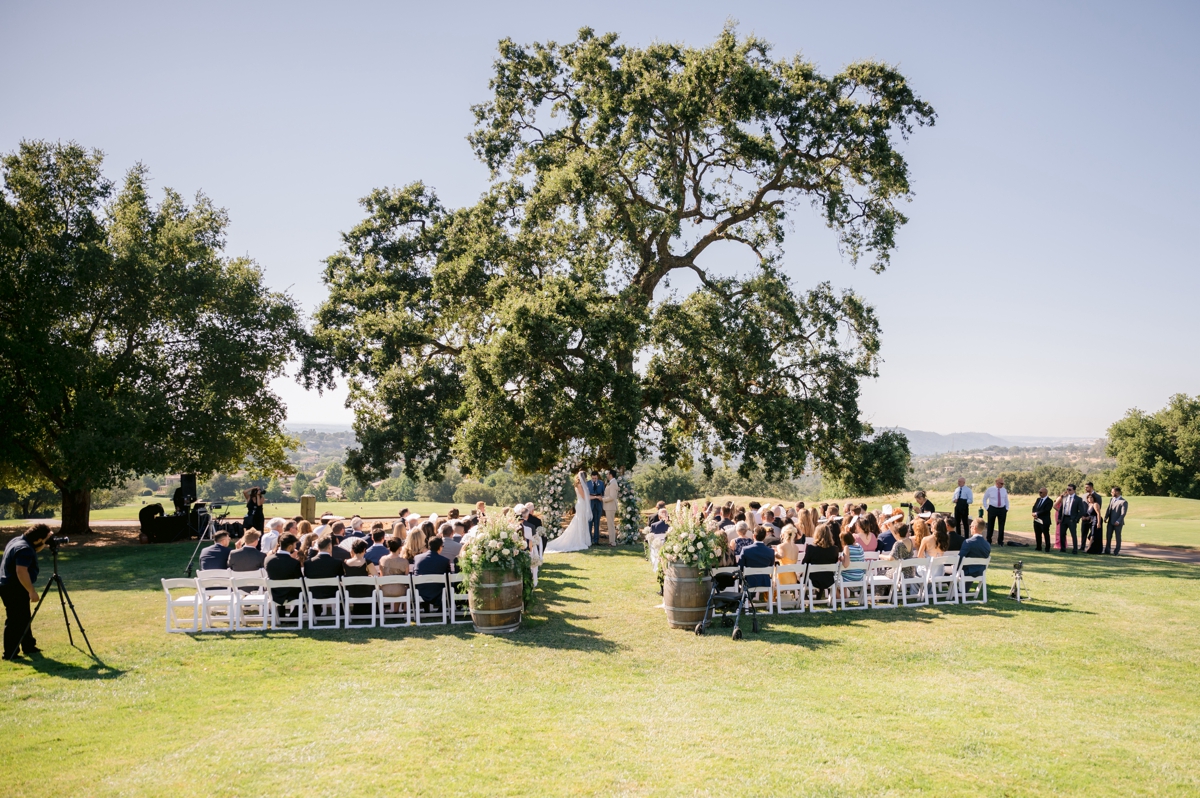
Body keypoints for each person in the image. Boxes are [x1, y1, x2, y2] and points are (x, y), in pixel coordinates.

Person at [1, 524, 52, 660]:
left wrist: (42, 544)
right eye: (46, 538)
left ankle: (28, 646)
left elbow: (31, 551)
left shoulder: (17, 541)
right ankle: (10, 653)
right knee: (15, 620)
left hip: (7, 585)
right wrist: (31, 591)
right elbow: (21, 571)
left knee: (23, 616)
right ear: (38, 539)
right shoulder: (25, 549)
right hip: (14, 588)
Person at [547, 471, 594, 553]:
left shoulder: (580, 485)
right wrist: (595, 497)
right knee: (579, 522)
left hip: (582, 504)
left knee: (582, 522)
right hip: (581, 505)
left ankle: (583, 539)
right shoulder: (579, 485)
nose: (586, 479)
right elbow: (583, 496)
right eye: (585, 477)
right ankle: (579, 540)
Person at [264, 533, 303, 612]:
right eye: (295, 545)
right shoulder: (294, 562)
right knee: (305, 590)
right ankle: (294, 615)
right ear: (290, 547)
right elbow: (300, 580)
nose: (296, 547)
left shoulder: (268, 560)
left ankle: (280, 614)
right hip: (291, 594)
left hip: (274, 593)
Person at [413, 537, 452, 610]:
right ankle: (441, 609)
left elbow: (415, 573)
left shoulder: (417, 558)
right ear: (440, 547)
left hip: (420, 591)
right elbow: (448, 577)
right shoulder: (444, 561)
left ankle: (426, 608)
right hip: (438, 592)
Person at [342, 539, 377, 614]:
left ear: (353, 550)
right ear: (364, 550)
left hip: (350, 593)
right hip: (366, 593)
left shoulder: (345, 562)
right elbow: (376, 578)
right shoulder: (367, 562)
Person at [379, 538, 409, 611]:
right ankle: (404, 610)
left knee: (398, 585)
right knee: (406, 588)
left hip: (384, 591)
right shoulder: (404, 562)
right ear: (400, 548)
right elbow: (406, 580)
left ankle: (396, 611)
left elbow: (381, 576)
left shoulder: (382, 559)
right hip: (400, 591)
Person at [1055, 484, 1083, 554]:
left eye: (1070, 489)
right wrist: (1059, 518)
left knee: (1073, 535)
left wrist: (1076, 519)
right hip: (1064, 518)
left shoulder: (1078, 499)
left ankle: (1075, 549)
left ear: (1074, 490)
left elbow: (1082, 511)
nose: (1068, 491)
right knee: (1062, 534)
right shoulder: (1064, 498)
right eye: (1067, 489)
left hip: (1072, 519)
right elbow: (1061, 509)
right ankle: (1062, 549)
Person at [981, 477, 1010, 545]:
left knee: (1001, 525)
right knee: (990, 525)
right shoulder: (990, 489)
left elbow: (1006, 500)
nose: (1002, 485)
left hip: (1002, 509)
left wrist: (1007, 508)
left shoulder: (1004, 490)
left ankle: (1000, 541)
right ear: (997, 483)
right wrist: (987, 508)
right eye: (1001, 483)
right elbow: (984, 499)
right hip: (992, 508)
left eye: (1003, 483)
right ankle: (989, 540)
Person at [1104, 487, 1129, 555]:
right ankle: (1107, 550)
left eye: (1112, 492)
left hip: (1118, 523)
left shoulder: (1123, 502)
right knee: (1108, 536)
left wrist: (1118, 521)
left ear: (1117, 492)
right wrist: (1106, 517)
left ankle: (1116, 551)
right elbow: (1109, 509)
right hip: (1110, 522)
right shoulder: (1112, 499)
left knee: (1117, 537)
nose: (1111, 493)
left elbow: (1123, 513)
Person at [585, 470, 606, 546]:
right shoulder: (587, 483)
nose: (594, 479)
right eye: (593, 478)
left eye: (595, 478)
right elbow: (586, 494)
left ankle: (596, 540)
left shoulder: (601, 483)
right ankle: (589, 540)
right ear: (591, 477)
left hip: (598, 504)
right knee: (590, 523)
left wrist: (601, 497)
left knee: (597, 523)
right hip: (590, 504)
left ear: (597, 477)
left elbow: (604, 493)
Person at [603, 470, 619, 546]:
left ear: (611, 475)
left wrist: (602, 499)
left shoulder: (613, 483)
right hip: (609, 506)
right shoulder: (611, 482)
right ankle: (611, 541)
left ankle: (612, 542)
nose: (606, 475)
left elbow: (612, 496)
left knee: (611, 525)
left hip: (610, 506)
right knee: (610, 524)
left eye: (608, 474)